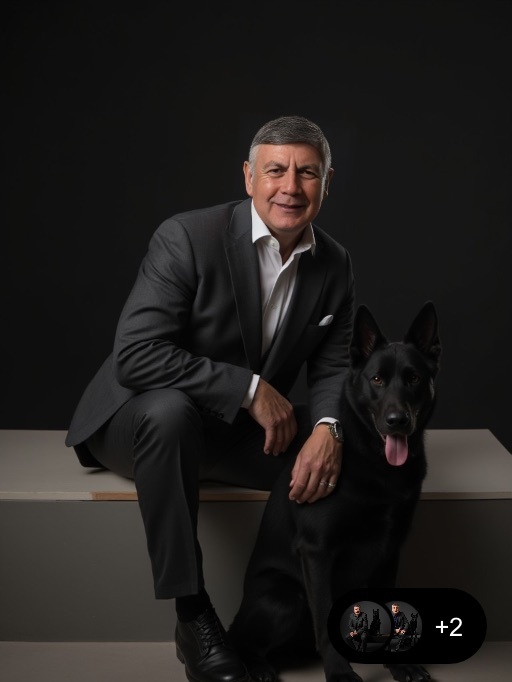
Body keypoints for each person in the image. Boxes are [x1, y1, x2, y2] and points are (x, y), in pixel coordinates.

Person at [65, 115, 355, 682]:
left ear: (327, 182)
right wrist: (249, 389)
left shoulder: (335, 263)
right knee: (170, 414)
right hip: (137, 419)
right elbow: (136, 353)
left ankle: (283, 615)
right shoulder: (188, 236)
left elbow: (334, 367)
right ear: (248, 176)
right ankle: (192, 614)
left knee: (347, 445)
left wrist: (329, 428)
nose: (290, 187)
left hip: (231, 431)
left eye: (307, 173)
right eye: (275, 170)